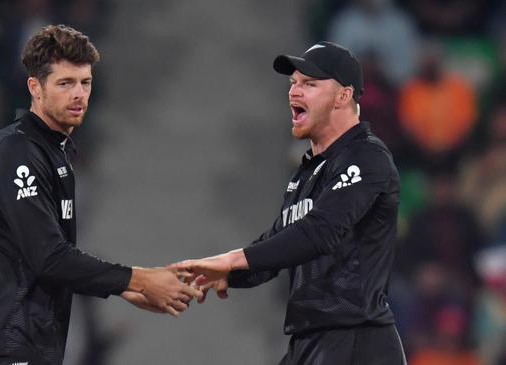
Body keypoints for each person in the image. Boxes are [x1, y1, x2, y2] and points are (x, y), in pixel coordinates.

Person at [0, 25, 201, 365]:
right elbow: (49, 257)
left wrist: (126, 289)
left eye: (85, 83)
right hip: (4, 343)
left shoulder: (52, 153)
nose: (79, 95)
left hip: (26, 345)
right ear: (35, 88)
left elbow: (41, 255)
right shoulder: (17, 151)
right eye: (65, 83)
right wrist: (139, 280)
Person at [172, 42, 406, 365]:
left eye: (309, 84)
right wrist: (232, 275)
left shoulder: (366, 156)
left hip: (356, 340)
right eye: (293, 83)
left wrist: (233, 259)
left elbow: (320, 232)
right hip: (311, 341)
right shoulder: (307, 171)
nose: (294, 92)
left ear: (343, 96)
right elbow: (279, 241)